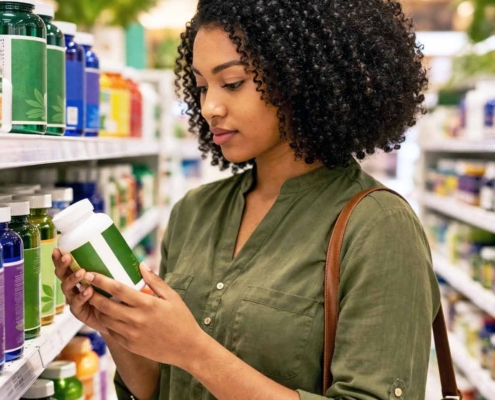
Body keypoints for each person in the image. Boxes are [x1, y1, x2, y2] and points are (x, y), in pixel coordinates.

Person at [53, 0, 438, 399]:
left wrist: (193, 351)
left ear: (302, 77)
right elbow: (160, 388)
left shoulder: (379, 226)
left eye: (233, 83)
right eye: (201, 86)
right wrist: (115, 323)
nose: (209, 108)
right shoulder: (195, 211)